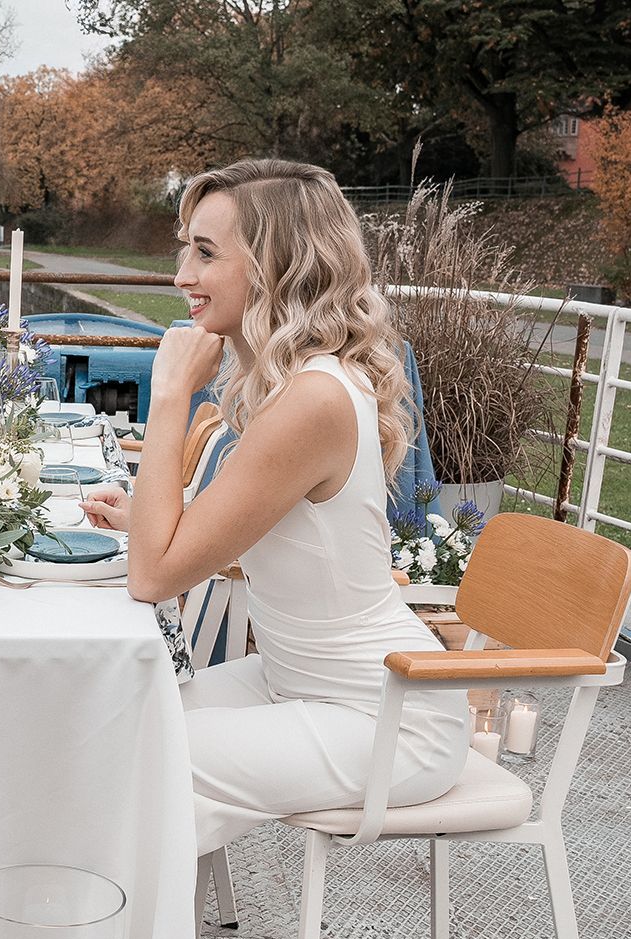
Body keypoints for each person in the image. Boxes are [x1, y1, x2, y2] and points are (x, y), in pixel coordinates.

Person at [84, 158, 467, 854]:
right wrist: (139, 516)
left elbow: (153, 577)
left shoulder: (314, 399)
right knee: (109, 718)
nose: (181, 277)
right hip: (294, 683)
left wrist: (170, 392)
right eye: (184, 250)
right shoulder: (290, 383)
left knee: (132, 755)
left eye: (205, 253)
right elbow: (195, 539)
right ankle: (120, 934)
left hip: (387, 716)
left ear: (273, 266)